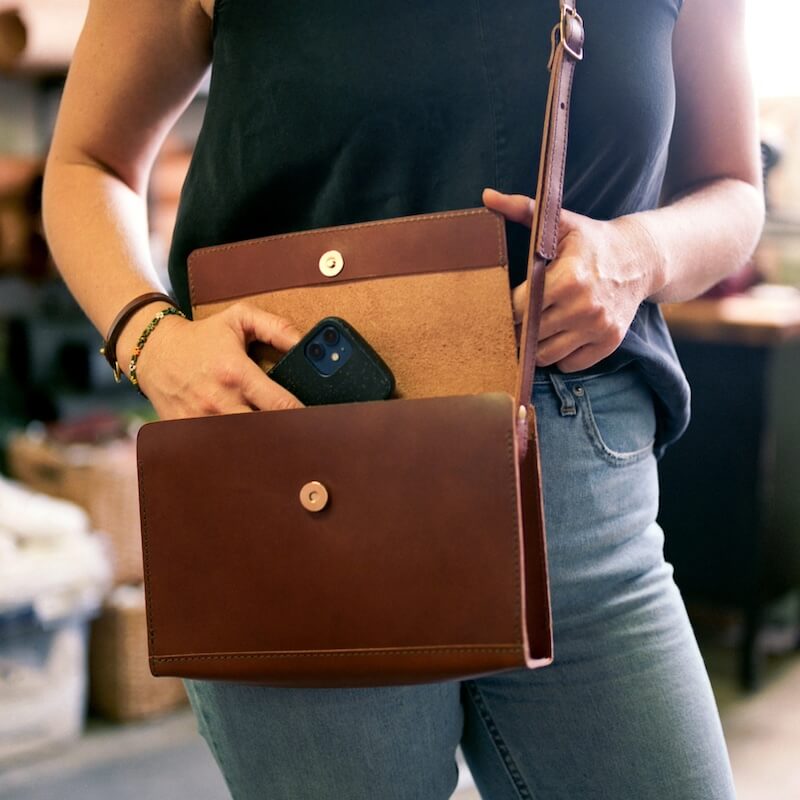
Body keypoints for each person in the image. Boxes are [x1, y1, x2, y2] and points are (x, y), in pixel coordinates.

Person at [42, 0, 763, 797]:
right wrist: (149, 339)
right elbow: (88, 162)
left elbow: (732, 189)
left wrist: (641, 253)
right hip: (299, 487)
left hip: (584, 505)